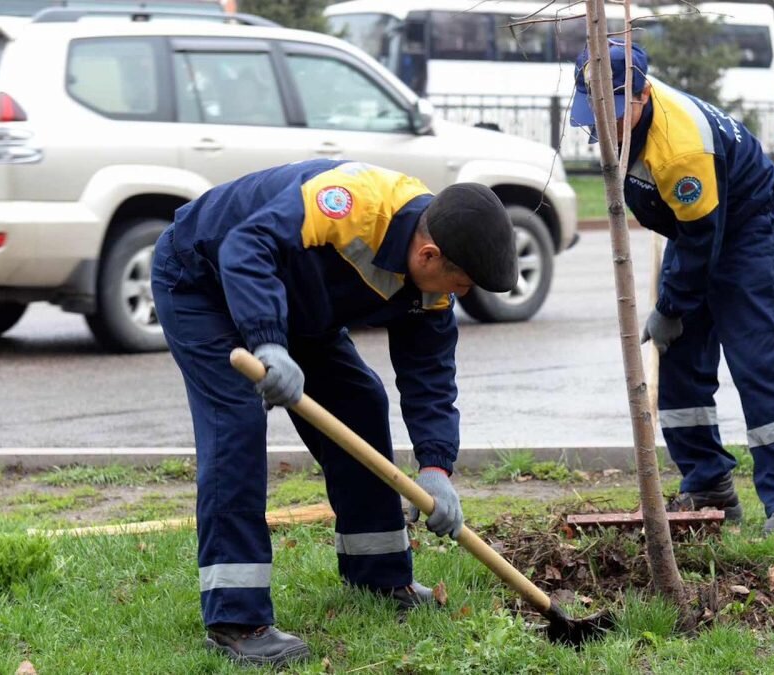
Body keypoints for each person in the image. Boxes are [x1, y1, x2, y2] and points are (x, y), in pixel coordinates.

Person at [152, 159, 518, 667]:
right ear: (430, 253)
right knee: (235, 425)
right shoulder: (350, 203)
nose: (462, 295)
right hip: (203, 278)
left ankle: (379, 576)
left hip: (297, 305)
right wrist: (268, 344)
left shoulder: (431, 278)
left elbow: (430, 375)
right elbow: (245, 246)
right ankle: (236, 621)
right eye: (462, 282)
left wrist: (435, 467)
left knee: (359, 403)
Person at [570, 41, 774, 537]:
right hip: (695, 226)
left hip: (747, 223)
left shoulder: (680, 148)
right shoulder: (621, 118)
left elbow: (704, 241)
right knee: (679, 354)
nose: (600, 125)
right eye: (592, 112)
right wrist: (674, 314)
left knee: (756, 356)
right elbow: (689, 234)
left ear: (641, 98)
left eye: (613, 112)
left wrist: (670, 305)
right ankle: (709, 487)